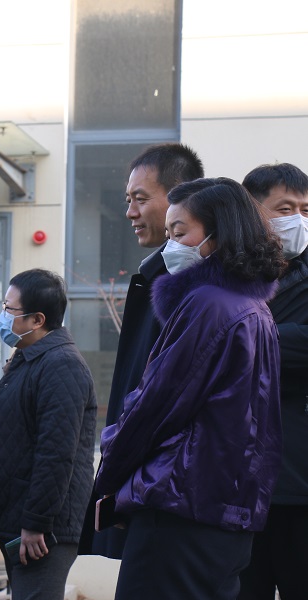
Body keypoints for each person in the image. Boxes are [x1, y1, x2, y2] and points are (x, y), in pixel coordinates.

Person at [94, 177, 285, 600]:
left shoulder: (206, 304)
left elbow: (154, 406)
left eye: (179, 234)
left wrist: (110, 476)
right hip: (227, 514)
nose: (170, 247)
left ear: (218, 236)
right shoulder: (255, 308)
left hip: (178, 507)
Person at [79, 142, 204, 557]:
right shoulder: (156, 276)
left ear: (181, 199)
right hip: (147, 487)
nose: (130, 212)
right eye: (127, 200)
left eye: (140, 199)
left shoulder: (199, 288)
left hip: (169, 495)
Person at [0, 269, 97, 600]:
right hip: (18, 522)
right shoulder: (28, 361)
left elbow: (56, 453)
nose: (2, 316)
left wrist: (36, 522)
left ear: (37, 320)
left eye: (9, 309)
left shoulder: (62, 365)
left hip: (43, 531)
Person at [238, 164, 308, 600]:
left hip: (298, 484)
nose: (298, 219)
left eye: (306, 209)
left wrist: (244, 337)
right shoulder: (228, 273)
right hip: (235, 482)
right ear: (252, 211)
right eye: (285, 208)